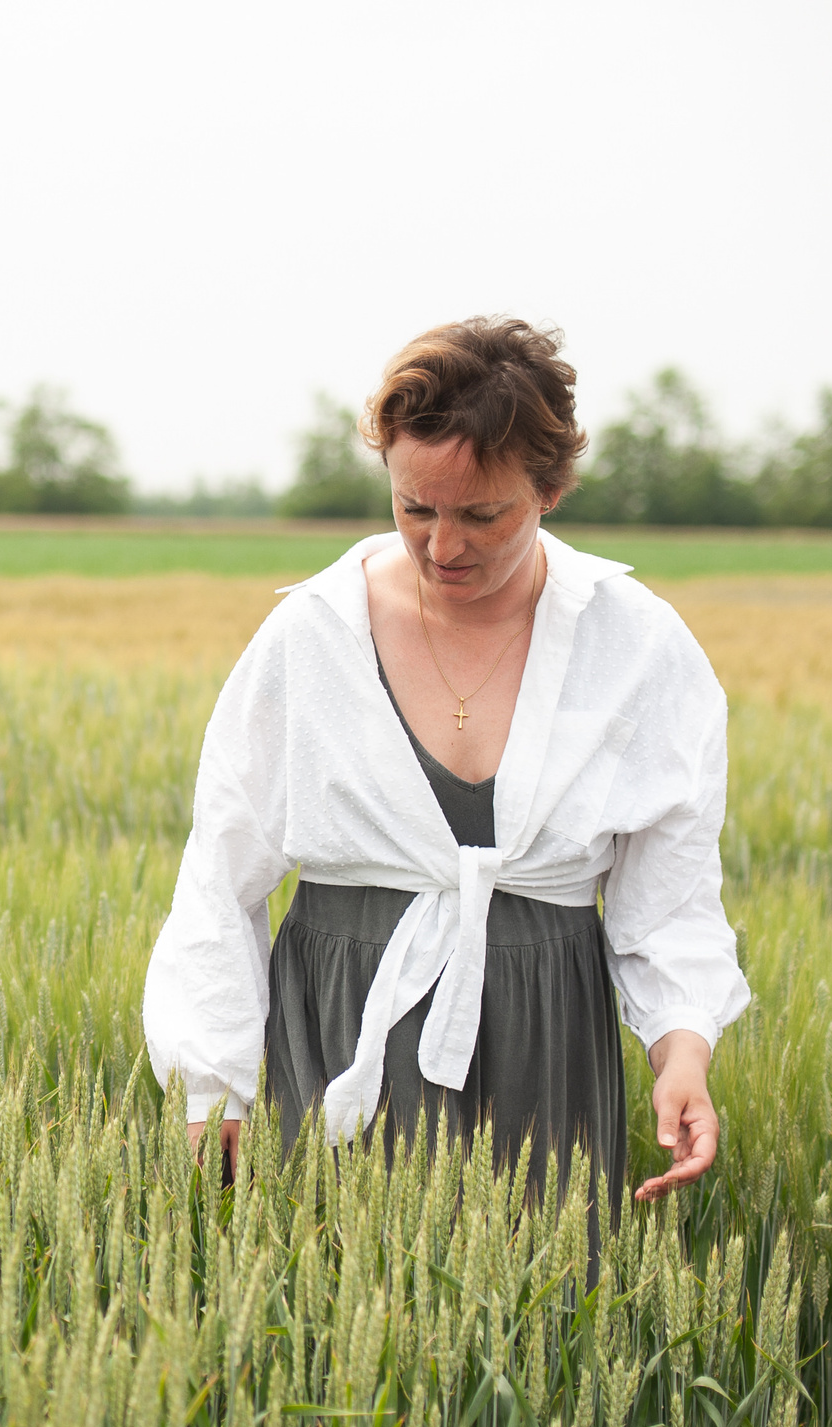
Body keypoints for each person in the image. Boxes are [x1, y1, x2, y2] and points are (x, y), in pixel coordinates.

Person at [143, 317, 748, 1216]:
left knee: (541, 1321)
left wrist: (683, 1050)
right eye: (414, 507)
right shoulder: (313, 636)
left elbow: (672, 894)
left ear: (550, 489)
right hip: (342, 1016)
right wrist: (212, 1080)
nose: (442, 546)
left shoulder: (638, 645)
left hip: (544, 1034)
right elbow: (221, 872)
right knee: (340, 1313)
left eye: (481, 514)